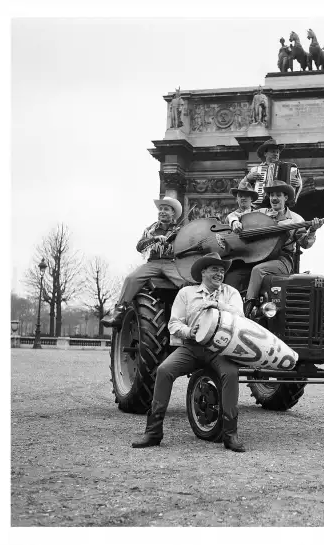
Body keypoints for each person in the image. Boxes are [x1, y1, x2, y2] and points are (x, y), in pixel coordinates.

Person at [131, 252, 246, 452]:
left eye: (221, 270)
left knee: (231, 373)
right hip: (191, 348)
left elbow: (241, 317)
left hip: (220, 349)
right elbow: (174, 323)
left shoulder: (231, 293)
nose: (219, 274)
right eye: (214, 270)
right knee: (164, 370)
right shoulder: (186, 294)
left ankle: (230, 434)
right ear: (203, 272)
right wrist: (188, 331)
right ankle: (153, 431)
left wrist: (218, 305)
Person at [243, 179, 323, 316]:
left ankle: (247, 309)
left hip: (282, 259)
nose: (274, 198)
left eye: (278, 195)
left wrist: (313, 230)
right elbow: (241, 218)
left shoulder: (296, 219)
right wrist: (235, 222)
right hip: (259, 256)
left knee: (258, 270)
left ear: (285, 197)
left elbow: (305, 243)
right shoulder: (260, 213)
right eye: (272, 195)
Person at [101, 197, 184, 328]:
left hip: (172, 263)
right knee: (131, 278)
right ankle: (119, 313)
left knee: (186, 283)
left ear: (173, 213)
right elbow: (139, 247)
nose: (162, 211)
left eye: (166, 209)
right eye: (160, 209)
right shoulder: (150, 229)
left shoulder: (180, 230)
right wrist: (155, 239)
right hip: (153, 263)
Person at [241, 139, 303, 206]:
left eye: (277, 152)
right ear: (265, 153)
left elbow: (299, 186)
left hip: (281, 205)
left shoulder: (289, 167)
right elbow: (241, 188)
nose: (276, 154)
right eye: (273, 152)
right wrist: (247, 178)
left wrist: (298, 184)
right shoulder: (255, 170)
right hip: (261, 206)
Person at [223, 180, 260, 293]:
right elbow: (231, 219)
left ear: (251, 199)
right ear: (237, 199)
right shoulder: (232, 215)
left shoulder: (260, 214)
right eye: (240, 196)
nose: (243, 198)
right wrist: (235, 223)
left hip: (258, 256)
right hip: (238, 259)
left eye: (246, 196)